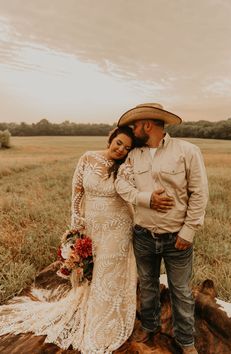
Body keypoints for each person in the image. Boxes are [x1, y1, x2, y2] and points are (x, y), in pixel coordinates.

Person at [0, 127, 137, 353]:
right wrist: (76, 220)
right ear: (111, 139)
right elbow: (78, 189)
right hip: (92, 223)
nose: (121, 149)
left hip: (119, 224)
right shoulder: (88, 157)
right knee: (92, 269)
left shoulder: (127, 166)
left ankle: (108, 318)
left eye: (127, 148)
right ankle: (91, 308)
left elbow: (132, 192)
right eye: (119, 143)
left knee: (110, 271)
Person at [115, 103, 209, 354]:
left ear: (148, 124)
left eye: (135, 125)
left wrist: (188, 232)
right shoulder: (134, 155)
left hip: (177, 237)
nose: (133, 130)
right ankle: (149, 326)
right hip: (143, 235)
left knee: (181, 291)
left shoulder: (187, 150)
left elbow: (199, 193)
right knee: (147, 284)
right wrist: (147, 198)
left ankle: (186, 340)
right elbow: (121, 185)